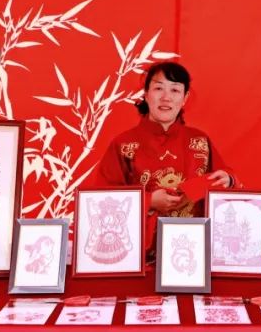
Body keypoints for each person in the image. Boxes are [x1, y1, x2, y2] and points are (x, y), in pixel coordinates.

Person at [89, 62, 238, 250]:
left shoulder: (200, 140)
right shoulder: (124, 144)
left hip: (194, 247)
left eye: (175, 90)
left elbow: (225, 180)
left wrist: (228, 179)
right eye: (158, 88)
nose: (166, 97)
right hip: (138, 250)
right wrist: (149, 201)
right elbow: (102, 200)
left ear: (185, 98)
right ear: (146, 94)